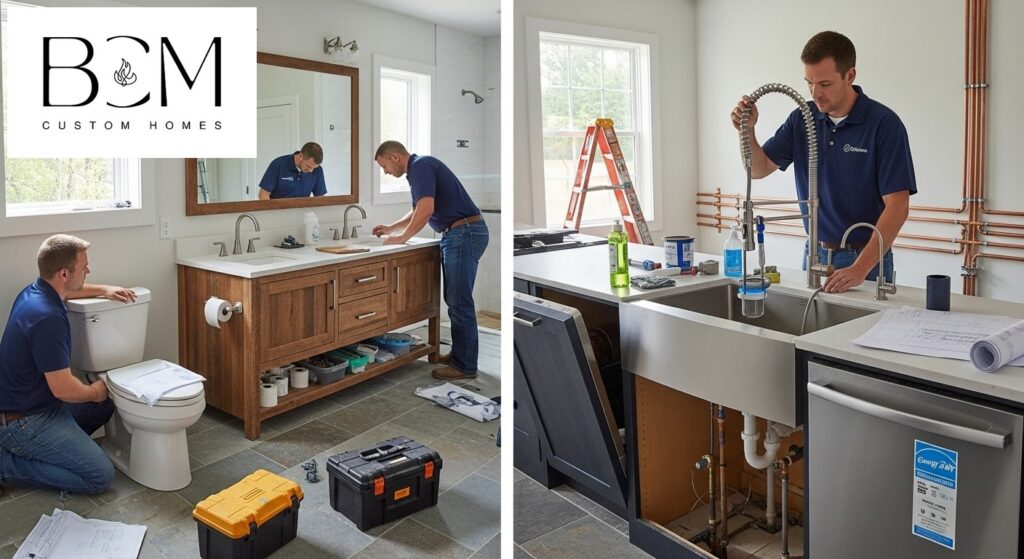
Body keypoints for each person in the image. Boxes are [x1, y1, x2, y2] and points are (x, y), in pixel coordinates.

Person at [731, 30, 916, 293]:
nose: (815, 93)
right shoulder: (802, 118)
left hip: (865, 258)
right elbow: (758, 169)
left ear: (850, 75)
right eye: (809, 83)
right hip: (815, 252)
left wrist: (860, 268)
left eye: (825, 84)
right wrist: (747, 131)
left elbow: (898, 206)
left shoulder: (884, 125)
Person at [0, 234, 136, 496]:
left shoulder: (37, 292)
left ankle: (56, 451)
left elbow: (73, 288)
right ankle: (6, 465)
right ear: (64, 273)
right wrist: (96, 389)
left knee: (102, 407)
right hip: (24, 421)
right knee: (100, 475)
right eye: (84, 266)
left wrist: (104, 289)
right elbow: (64, 389)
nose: (89, 270)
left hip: (38, 406)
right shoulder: (46, 318)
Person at [372, 141, 488, 381]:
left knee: (459, 301)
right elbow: (418, 209)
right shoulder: (419, 168)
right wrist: (392, 227)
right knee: (455, 299)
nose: (386, 173)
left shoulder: (420, 167)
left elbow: (426, 209)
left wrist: (403, 237)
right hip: (460, 233)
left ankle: (465, 366)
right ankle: (460, 355)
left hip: (463, 233)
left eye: (384, 166)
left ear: (394, 156)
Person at [258, 141, 327, 199]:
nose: (311, 171)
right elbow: (263, 194)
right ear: (300, 156)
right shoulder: (278, 164)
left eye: (314, 168)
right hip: (278, 212)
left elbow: (320, 198)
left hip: (303, 212)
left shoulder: (318, 170)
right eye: (308, 166)